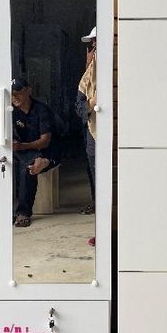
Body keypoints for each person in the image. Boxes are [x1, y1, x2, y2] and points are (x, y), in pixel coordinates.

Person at [11, 77, 61, 228]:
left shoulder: (41, 110)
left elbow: (45, 141)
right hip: (23, 152)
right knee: (9, 162)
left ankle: (23, 213)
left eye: (18, 92)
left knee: (29, 167)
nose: (14, 97)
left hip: (46, 151)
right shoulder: (11, 111)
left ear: (29, 91)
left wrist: (21, 146)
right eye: (11, 94)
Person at [76, 26, 97, 246]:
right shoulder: (87, 79)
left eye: (95, 44)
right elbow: (79, 107)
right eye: (91, 46)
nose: (91, 51)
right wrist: (91, 103)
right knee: (96, 180)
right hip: (93, 134)